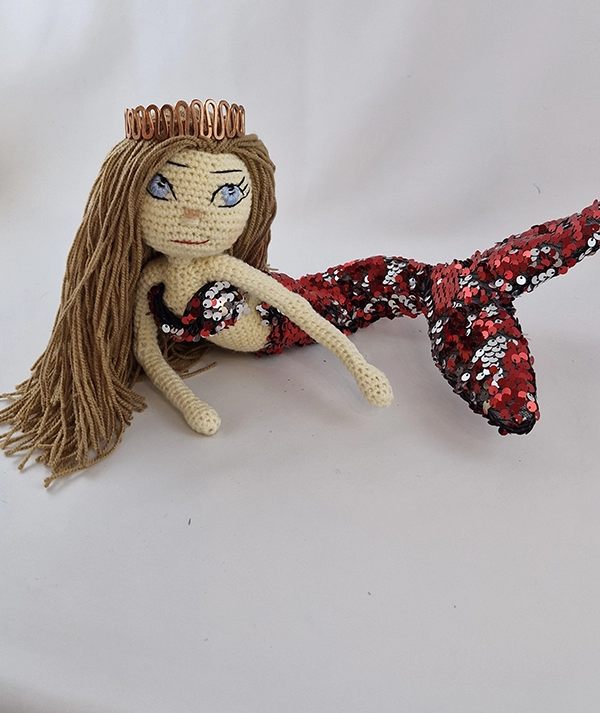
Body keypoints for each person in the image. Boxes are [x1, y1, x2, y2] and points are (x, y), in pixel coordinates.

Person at [1, 99, 599, 486]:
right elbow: (147, 350)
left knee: (393, 280)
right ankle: (465, 288)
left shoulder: (228, 272)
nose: (192, 213)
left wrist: (357, 367)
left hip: (294, 309)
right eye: (163, 188)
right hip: (293, 313)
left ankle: (474, 295)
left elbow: (297, 309)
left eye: (226, 195)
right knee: (416, 282)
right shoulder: (151, 281)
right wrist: (187, 402)